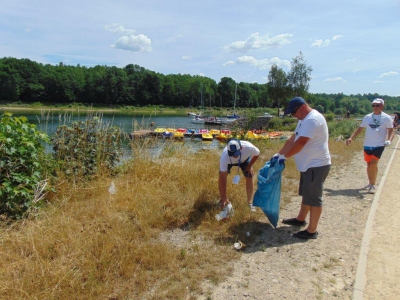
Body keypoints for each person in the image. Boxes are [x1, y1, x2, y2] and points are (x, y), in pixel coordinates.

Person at [275, 97, 331, 239]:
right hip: (308, 165)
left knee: (314, 198)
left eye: (293, 112)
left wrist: (285, 157)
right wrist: (279, 154)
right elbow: (293, 139)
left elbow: (300, 143)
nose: (293, 116)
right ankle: (300, 219)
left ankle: (312, 231)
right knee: (307, 194)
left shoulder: (312, 120)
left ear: (302, 107)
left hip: (316, 165)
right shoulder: (303, 120)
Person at [346, 98, 394, 194]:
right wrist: (351, 137)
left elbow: (391, 131)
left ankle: (373, 185)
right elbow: (360, 129)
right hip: (368, 144)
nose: (375, 107)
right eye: (373, 105)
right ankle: (370, 183)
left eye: (377, 105)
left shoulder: (387, 118)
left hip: (379, 144)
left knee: (373, 164)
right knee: (368, 165)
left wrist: (389, 140)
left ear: (382, 106)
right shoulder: (367, 117)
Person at [219, 139, 260, 213]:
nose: (234, 156)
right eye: (232, 154)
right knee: (222, 175)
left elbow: (257, 154)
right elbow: (223, 178)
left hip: (244, 160)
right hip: (229, 162)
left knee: (249, 175)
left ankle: (250, 203)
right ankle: (223, 199)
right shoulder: (225, 157)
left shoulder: (249, 147)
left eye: (236, 153)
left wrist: (250, 165)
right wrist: (224, 197)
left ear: (241, 148)